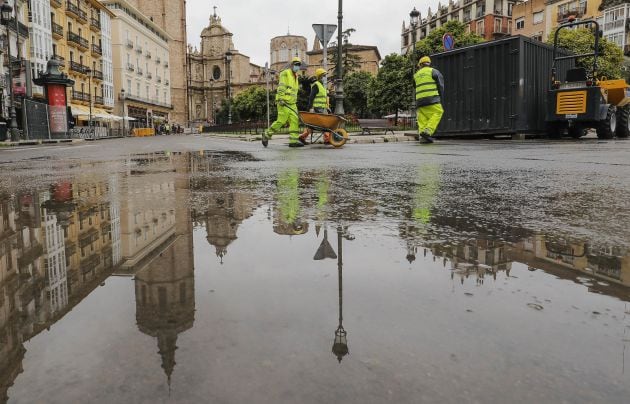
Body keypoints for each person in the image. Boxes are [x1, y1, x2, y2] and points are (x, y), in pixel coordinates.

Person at [262, 57, 305, 148]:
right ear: (292, 65)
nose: (297, 66)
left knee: (294, 121)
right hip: (283, 102)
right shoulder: (285, 73)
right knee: (281, 121)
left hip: (292, 103)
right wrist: (281, 98)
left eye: (298, 65)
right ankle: (266, 134)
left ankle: (293, 141)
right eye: (296, 64)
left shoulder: (296, 76)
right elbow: (282, 86)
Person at [414, 56, 444, 143]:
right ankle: (428, 131)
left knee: (422, 118)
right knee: (438, 112)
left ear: (420, 65)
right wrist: (440, 96)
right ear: (429, 63)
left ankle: (423, 137)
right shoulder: (434, 71)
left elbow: (415, 86)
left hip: (419, 100)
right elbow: (440, 85)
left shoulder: (416, 75)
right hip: (432, 98)